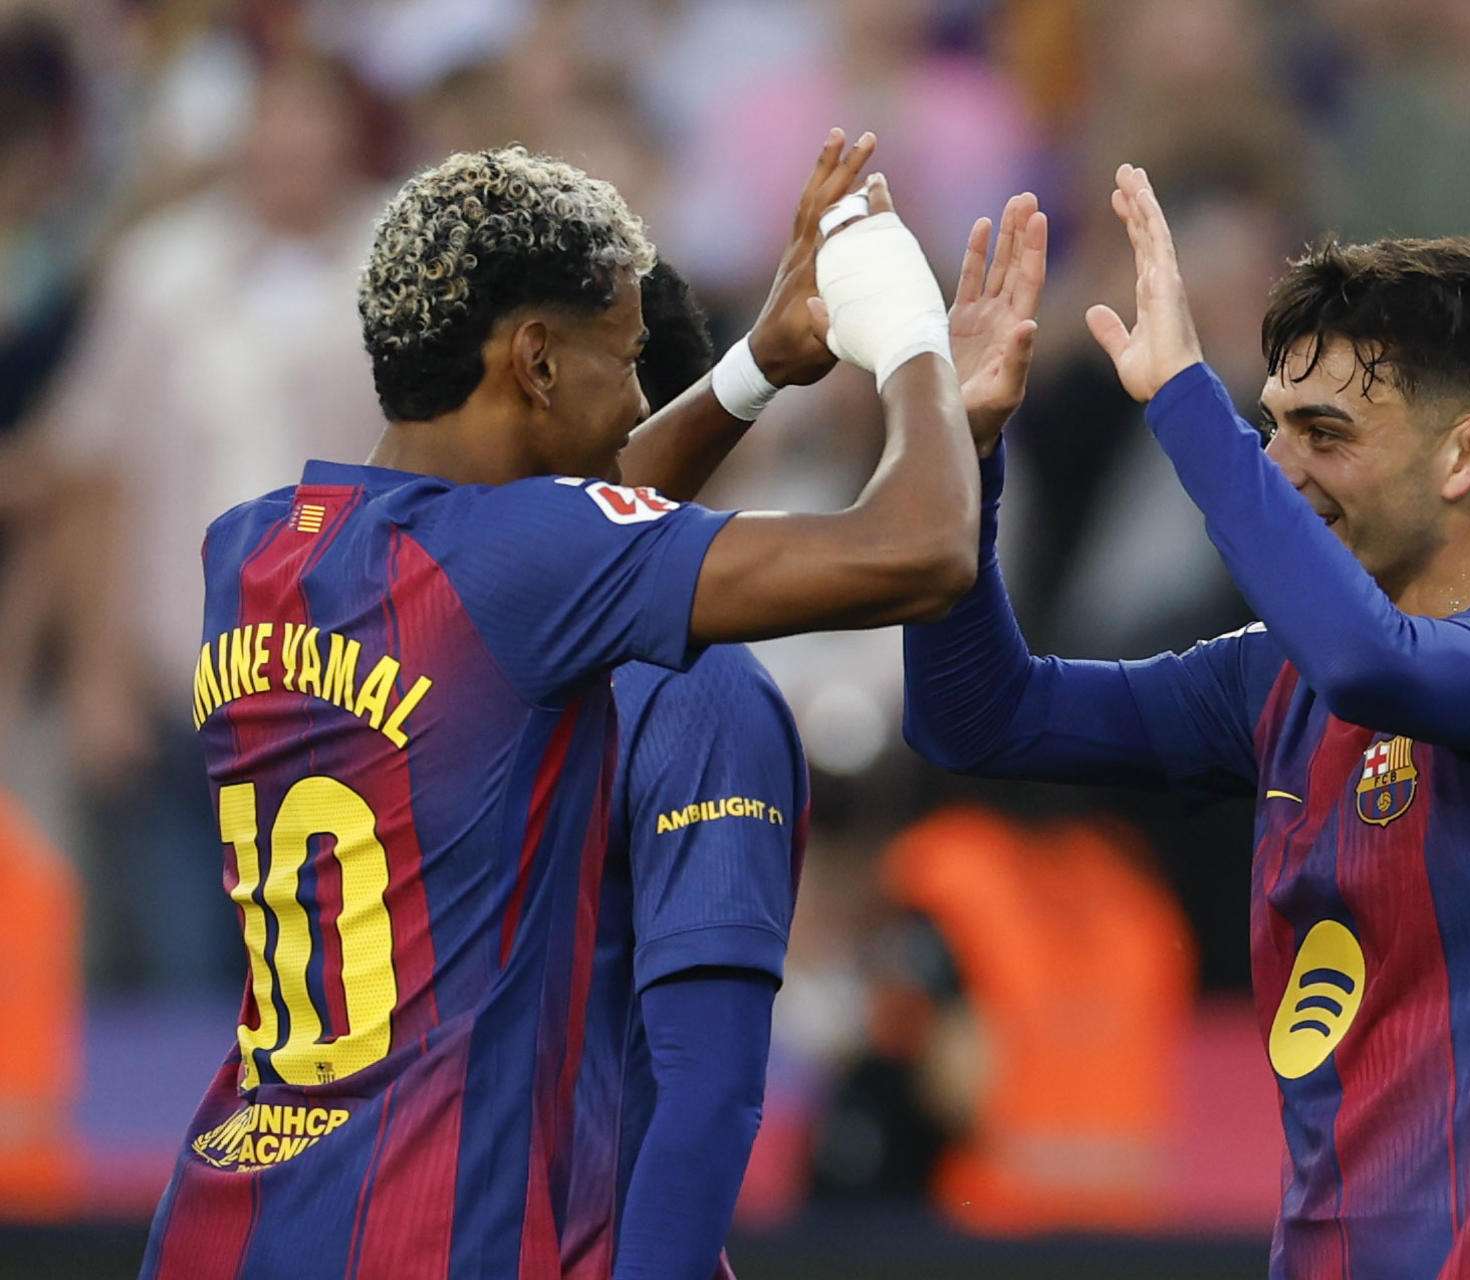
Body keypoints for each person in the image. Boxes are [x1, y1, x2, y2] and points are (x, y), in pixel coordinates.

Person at [140, 130, 980, 1280]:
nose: (636, 394)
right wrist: (912, 336)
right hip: (427, 1233)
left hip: (226, 1222)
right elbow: (924, 549)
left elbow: (555, 546)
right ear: (535, 360)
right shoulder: (524, 566)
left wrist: (755, 368)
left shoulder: (249, 552)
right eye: (624, 356)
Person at [904, 165, 1470, 1278]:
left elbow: (1377, 664)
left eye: (1325, 433)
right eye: (1268, 428)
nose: (1277, 469)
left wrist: (1183, 400)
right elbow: (978, 717)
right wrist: (968, 453)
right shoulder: (1275, 682)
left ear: (1467, 453)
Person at [568, 190, 1048, 1279]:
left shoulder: (401, 593)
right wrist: (910, 351)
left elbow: (702, 1097)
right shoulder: (678, 680)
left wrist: (758, 369)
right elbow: (706, 1095)